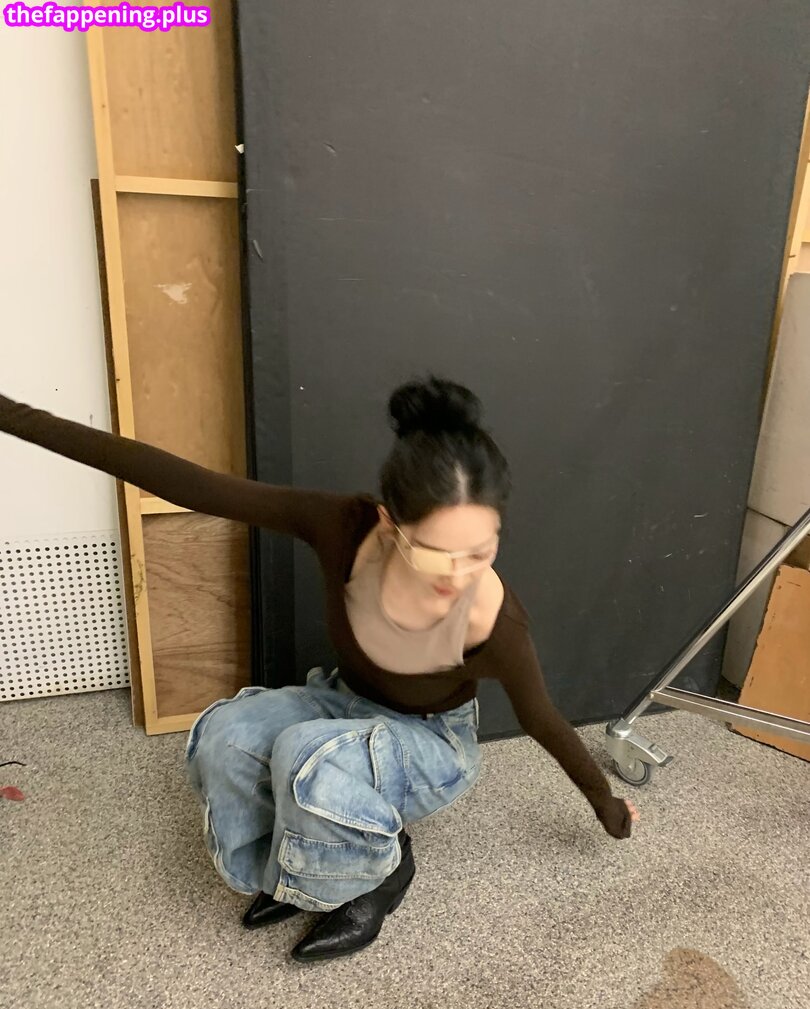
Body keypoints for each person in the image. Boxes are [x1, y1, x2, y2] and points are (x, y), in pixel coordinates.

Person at [0, 376, 638, 963]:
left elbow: (542, 720)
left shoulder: (494, 623)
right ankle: (295, 872)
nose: (460, 575)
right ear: (389, 522)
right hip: (345, 701)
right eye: (436, 553)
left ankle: (379, 872)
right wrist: (15, 416)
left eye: (481, 550)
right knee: (227, 736)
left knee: (307, 756)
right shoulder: (342, 525)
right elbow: (191, 484)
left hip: (431, 744)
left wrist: (604, 802)